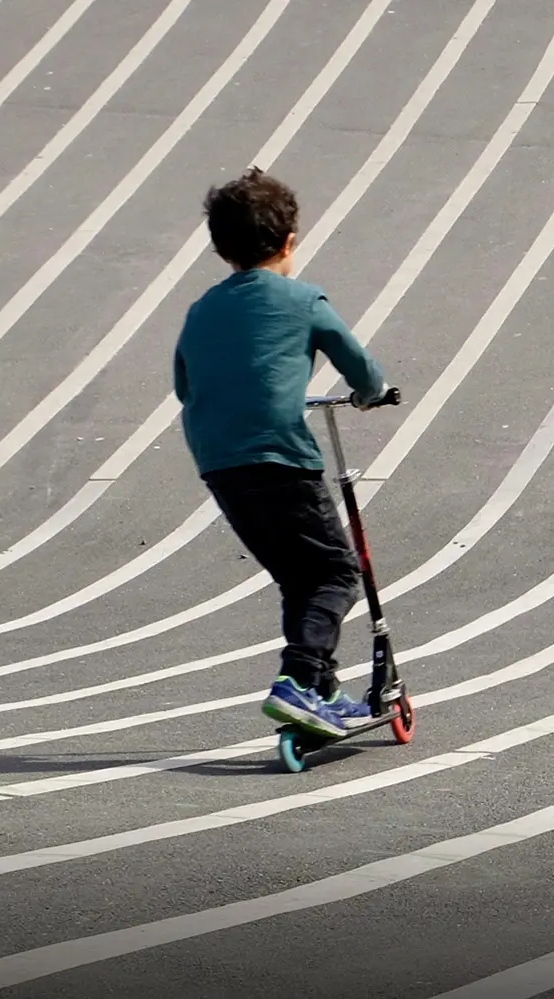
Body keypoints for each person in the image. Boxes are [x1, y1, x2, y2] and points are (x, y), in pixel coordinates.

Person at [173, 166, 391, 740]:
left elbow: (184, 384)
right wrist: (371, 396)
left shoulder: (200, 310)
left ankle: (319, 691)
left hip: (218, 462)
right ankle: (297, 680)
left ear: (222, 251)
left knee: (299, 576)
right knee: (336, 572)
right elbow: (359, 366)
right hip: (279, 455)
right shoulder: (302, 299)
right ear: (290, 241)